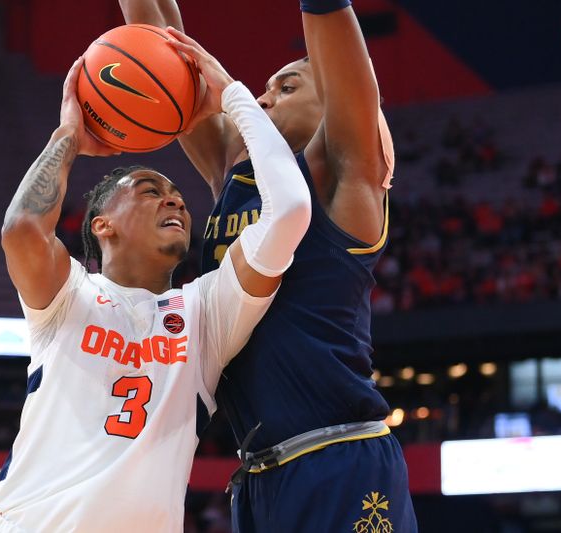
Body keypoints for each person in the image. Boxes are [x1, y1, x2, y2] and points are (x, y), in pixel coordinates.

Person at [0, 34, 311, 532]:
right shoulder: (68, 298)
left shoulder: (205, 313)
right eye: (150, 190)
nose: (175, 201)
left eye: (178, 195)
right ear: (102, 224)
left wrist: (234, 98)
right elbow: (21, 229)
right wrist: (69, 135)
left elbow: (289, 210)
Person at [120, 0, 418, 531]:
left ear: (333, 105)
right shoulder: (235, 177)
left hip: (340, 459)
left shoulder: (344, 180)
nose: (263, 96)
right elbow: (165, 47)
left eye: (288, 86)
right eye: (265, 88)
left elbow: (346, 66)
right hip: (258, 477)